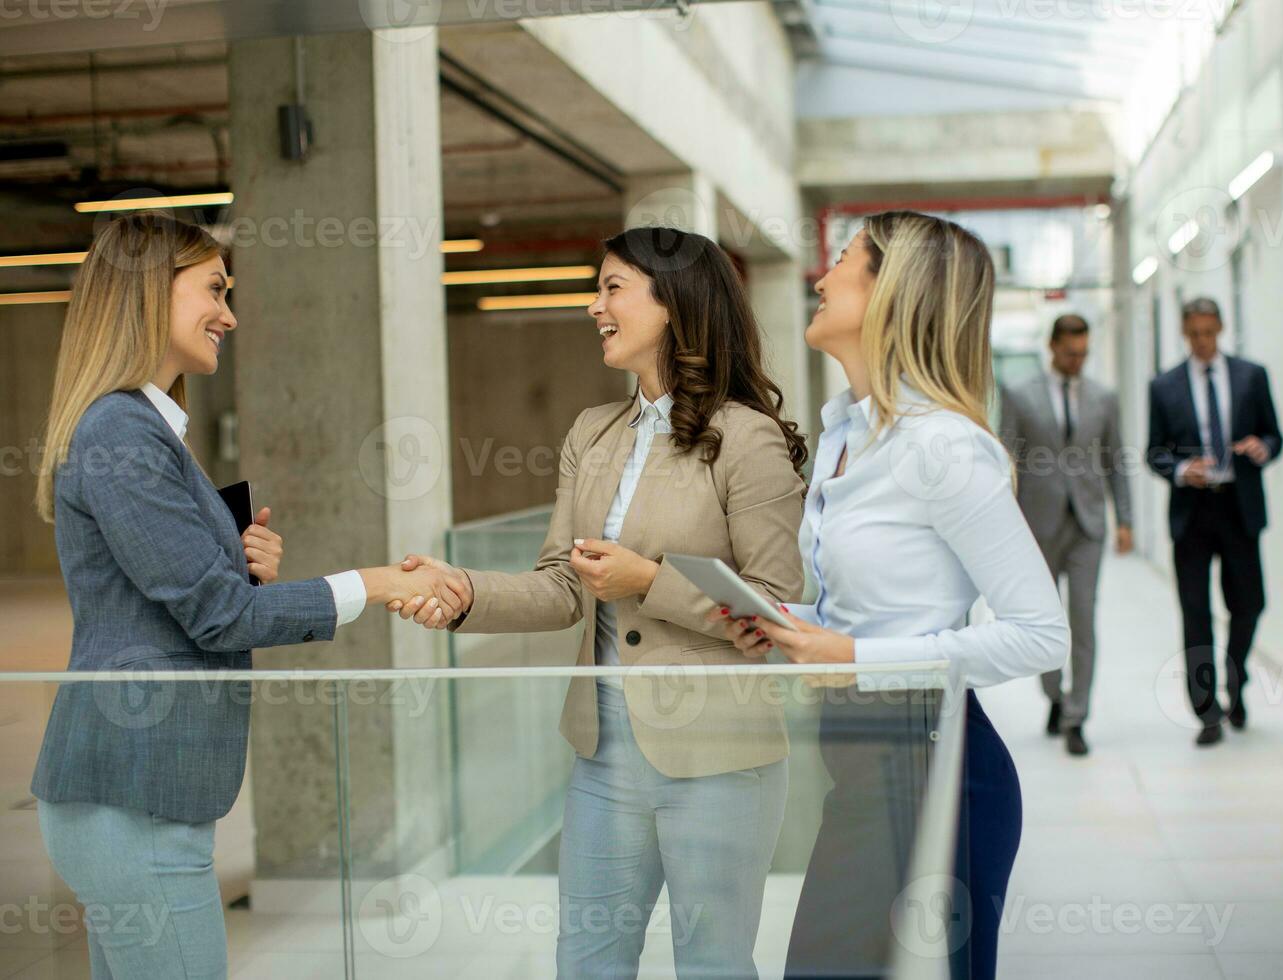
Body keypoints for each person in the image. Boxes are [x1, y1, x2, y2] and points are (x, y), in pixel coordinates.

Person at [29, 212, 471, 980]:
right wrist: (379, 581)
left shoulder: (143, 430)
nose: (228, 314)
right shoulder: (122, 435)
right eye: (213, 290)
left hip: (138, 798)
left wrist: (236, 565)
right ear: (147, 295)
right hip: (132, 800)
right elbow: (219, 618)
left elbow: (186, 598)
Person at [396, 226, 808, 978]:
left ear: (674, 302)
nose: (594, 306)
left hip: (719, 754)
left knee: (713, 964)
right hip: (603, 753)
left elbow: (777, 614)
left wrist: (648, 582)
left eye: (612, 286)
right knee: (587, 960)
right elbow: (560, 584)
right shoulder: (593, 432)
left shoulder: (746, 440)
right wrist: (461, 591)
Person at [710, 211, 1069, 979]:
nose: (819, 275)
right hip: (859, 760)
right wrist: (787, 625)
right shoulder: (842, 434)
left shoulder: (942, 447)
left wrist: (854, 656)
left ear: (892, 291)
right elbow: (869, 615)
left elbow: (1042, 634)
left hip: (938, 769)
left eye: (841, 260)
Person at [1147, 297, 1283, 746]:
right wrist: (1183, 470)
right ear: (1185, 333)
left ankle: (1235, 676)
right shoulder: (1164, 386)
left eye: (1210, 332)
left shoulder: (1251, 375)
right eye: (1195, 334)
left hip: (1239, 506)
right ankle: (1207, 713)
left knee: (1249, 604)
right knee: (1196, 613)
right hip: (1193, 511)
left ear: (1221, 327)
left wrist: (1263, 449)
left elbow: (1274, 435)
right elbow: (1155, 452)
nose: (1203, 341)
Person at [997, 313, 1133, 756]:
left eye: (1084, 353)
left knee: (1083, 619)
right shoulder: (1019, 394)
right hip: (1038, 524)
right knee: (1044, 620)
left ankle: (1077, 716)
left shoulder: (1104, 398)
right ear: (1053, 347)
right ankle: (1054, 694)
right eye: (1071, 352)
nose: (1078, 360)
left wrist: (1125, 520)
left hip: (1088, 524)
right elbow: (1006, 459)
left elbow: (1114, 461)